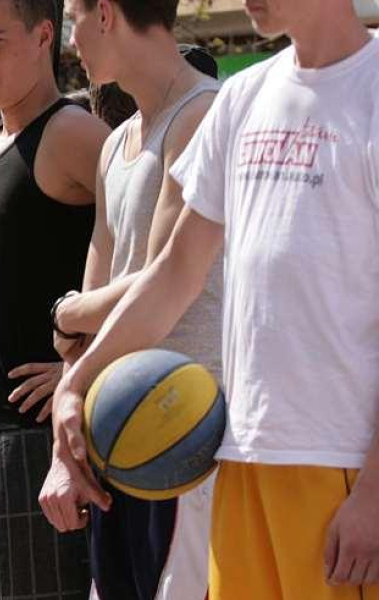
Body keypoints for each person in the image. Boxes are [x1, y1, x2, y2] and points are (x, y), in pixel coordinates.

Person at [44, 1, 379, 598]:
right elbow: (174, 273)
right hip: (239, 457)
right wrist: (76, 382)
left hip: (344, 466)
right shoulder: (243, 96)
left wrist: (376, 494)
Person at [36, 2, 220, 599]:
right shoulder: (115, 144)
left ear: (107, 14)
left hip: (185, 435)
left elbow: (159, 276)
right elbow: (96, 304)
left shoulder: (204, 113)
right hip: (113, 436)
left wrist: (64, 311)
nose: (71, 41)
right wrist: (66, 451)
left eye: (73, 19)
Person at [0, 0, 111, 598]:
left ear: (45, 35)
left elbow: (156, 247)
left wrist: (81, 366)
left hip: (39, 432)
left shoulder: (73, 133)